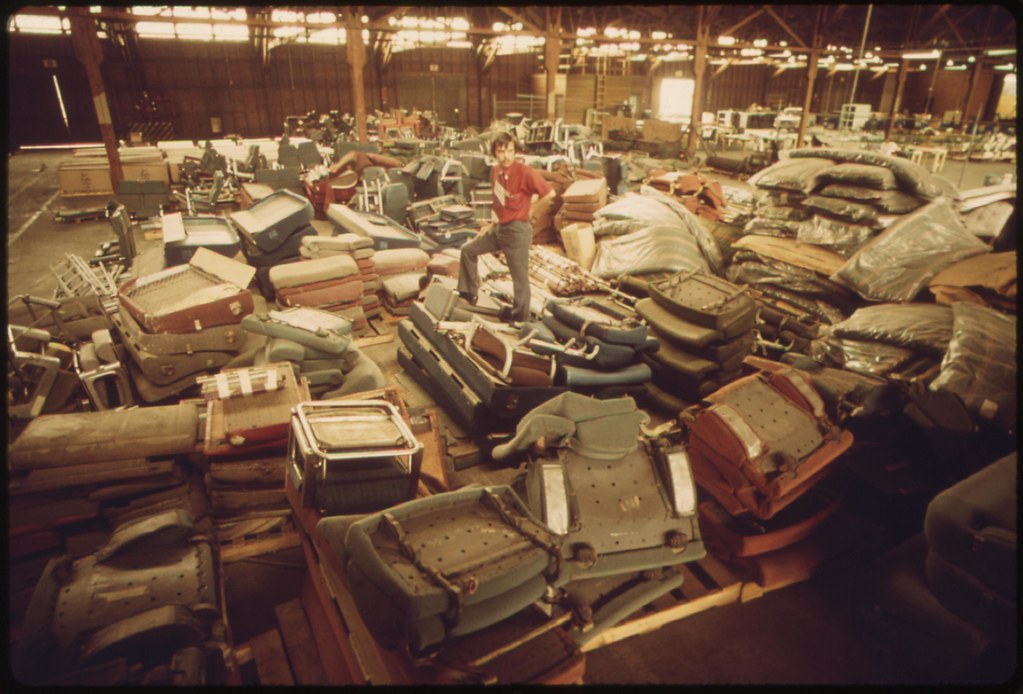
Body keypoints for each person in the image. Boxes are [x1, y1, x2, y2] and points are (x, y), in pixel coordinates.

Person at [458, 132, 555, 323]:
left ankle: (521, 318)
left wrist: (532, 210)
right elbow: (498, 201)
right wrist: (491, 224)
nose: (507, 156)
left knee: (519, 278)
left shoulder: (525, 172)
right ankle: (468, 295)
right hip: (499, 229)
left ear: (515, 151)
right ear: (494, 153)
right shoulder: (495, 171)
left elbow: (550, 193)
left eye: (510, 151)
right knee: (467, 250)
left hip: (517, 231)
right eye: (501, 152)